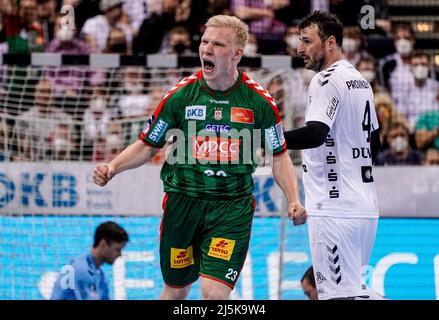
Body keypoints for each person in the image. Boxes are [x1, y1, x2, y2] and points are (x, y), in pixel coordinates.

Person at [93, 14, 307, 300]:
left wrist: (293, 199)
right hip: (183, 203)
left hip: (231, 208)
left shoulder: (259, 102)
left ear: (237, 54)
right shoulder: (181, 96)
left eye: (218, 44)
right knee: (175, 291)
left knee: (214, 294)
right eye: (205, 41)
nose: (206, 49)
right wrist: (113, 166)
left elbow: (279, 155)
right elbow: (148, 144)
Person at [283, 11, 381, 300]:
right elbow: (375, 140)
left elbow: (315, 134)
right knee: (355, 291)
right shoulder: (359, 80)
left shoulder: (325, 80)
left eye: (306, 41)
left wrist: (268, 139)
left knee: (338, 297)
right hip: (364, 207)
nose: (300, 49)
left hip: (334, 210)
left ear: (330, 43)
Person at [51, 221, 129, 300]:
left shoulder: (102, 278)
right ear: (104, 245)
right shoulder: (79, 269)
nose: (120, 254)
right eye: (117, 249)